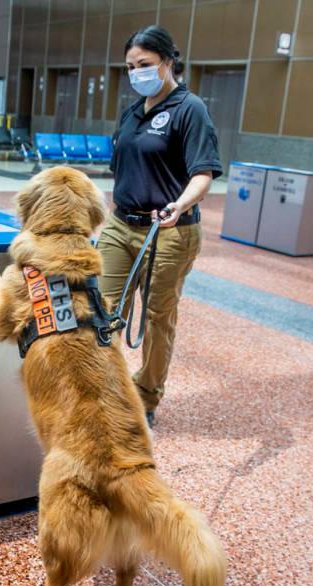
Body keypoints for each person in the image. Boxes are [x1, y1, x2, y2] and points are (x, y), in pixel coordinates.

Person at [97, 25, 221, 428]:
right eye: (131, 67)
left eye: (145, 64)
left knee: (157, 317)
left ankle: (146, 396)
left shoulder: (190, 109)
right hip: (120, 225)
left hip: (169, 230)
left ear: (168, 61)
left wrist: (178, 205)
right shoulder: (133, 112)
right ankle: (102, 388)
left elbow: (203, 174)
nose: (137, 73)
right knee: (103, 308)